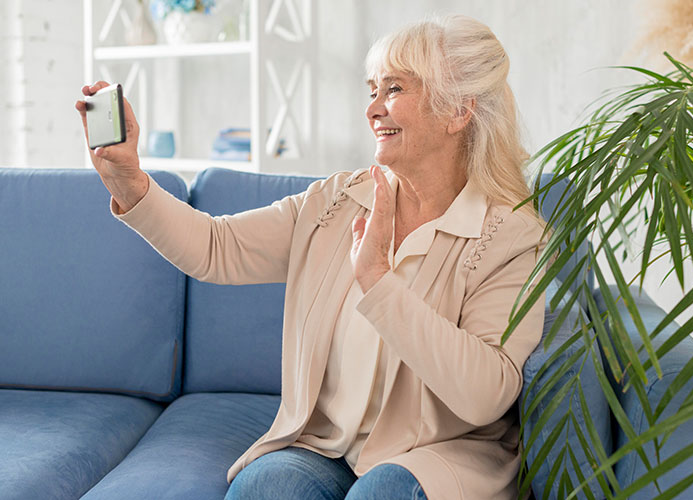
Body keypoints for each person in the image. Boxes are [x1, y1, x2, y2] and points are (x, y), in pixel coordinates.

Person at [76, 14, 547, 500]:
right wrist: (129, 181)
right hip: (329, 448)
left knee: (381, 495)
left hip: (440, 457)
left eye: (395, 89)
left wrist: (377, 280)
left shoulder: (509, 234)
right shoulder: (337, 201)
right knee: (267, 488)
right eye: (372, 90)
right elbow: (218, 249)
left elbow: (486, 395)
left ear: (458, 112)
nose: (373, 110)